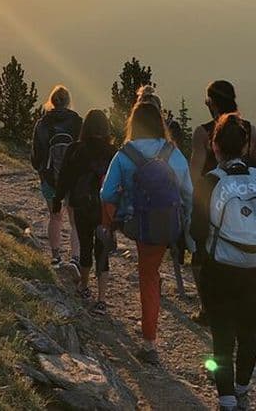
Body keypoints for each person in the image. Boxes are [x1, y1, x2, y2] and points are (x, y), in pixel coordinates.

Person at [190, 113, 256, 411]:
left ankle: (226, 401)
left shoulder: (210, 182)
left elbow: (196, 231)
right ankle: (242, 388)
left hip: (220, 269)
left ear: (215, 147)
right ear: (246, 147)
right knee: (249, 333)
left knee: (222, 336)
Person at [100, 102, 193, 365]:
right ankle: (154, 305)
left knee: (148, 276)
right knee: (151, 269)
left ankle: (149, 342)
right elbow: (188, 193)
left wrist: (112, 219)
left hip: (137, 225)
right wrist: (187, 225)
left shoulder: (124, 154)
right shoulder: (173, 153)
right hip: (169, 224)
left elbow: (106, 194)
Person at [189, 80, 256, 325]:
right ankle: (248, 309)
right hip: (248, 207)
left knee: (204, 258)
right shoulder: (250, 131)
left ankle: (208, 308)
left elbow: (194, 176)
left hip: (215, 207)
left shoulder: (203, 133)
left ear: (211, 103)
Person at [54, 109, 117, 315]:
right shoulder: (113, 152)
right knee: (102, 250)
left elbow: (65, 178)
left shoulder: (76, 149)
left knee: (85, 245)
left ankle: (83, 286)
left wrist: (57, 201)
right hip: (105, 208)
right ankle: (102, 299)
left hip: (81, 205)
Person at [135, 85, 190, 295]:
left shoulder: (136, 140)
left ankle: (151, 278)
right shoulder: (171, 133)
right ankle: (171, 280)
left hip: (143, 204)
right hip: (171, 202)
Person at [31, 85, 83, 269]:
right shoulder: (77, 122)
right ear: (68, 101)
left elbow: (36, 156)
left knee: (55, 217)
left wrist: (42, 172)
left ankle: (55, 256)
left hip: (50, 178)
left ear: (51, 101)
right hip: (74, 179)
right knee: (75, 221)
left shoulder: (42, 123)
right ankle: (75, 258)